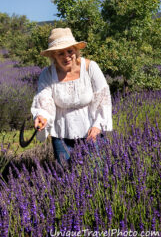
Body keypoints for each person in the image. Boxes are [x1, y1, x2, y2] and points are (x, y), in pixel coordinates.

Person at [31, 27, 113, 164]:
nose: (67, 56)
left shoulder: (90, 67)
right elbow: (44, 99)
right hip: (61, 134)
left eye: (70, 51)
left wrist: (98, 125)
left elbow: (103, 99)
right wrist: (41, 116)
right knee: (66, 175)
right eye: (60, 53)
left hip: (91, 131)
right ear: (53, 56)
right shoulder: (48, 74)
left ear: (76, 50)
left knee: (97, 172)